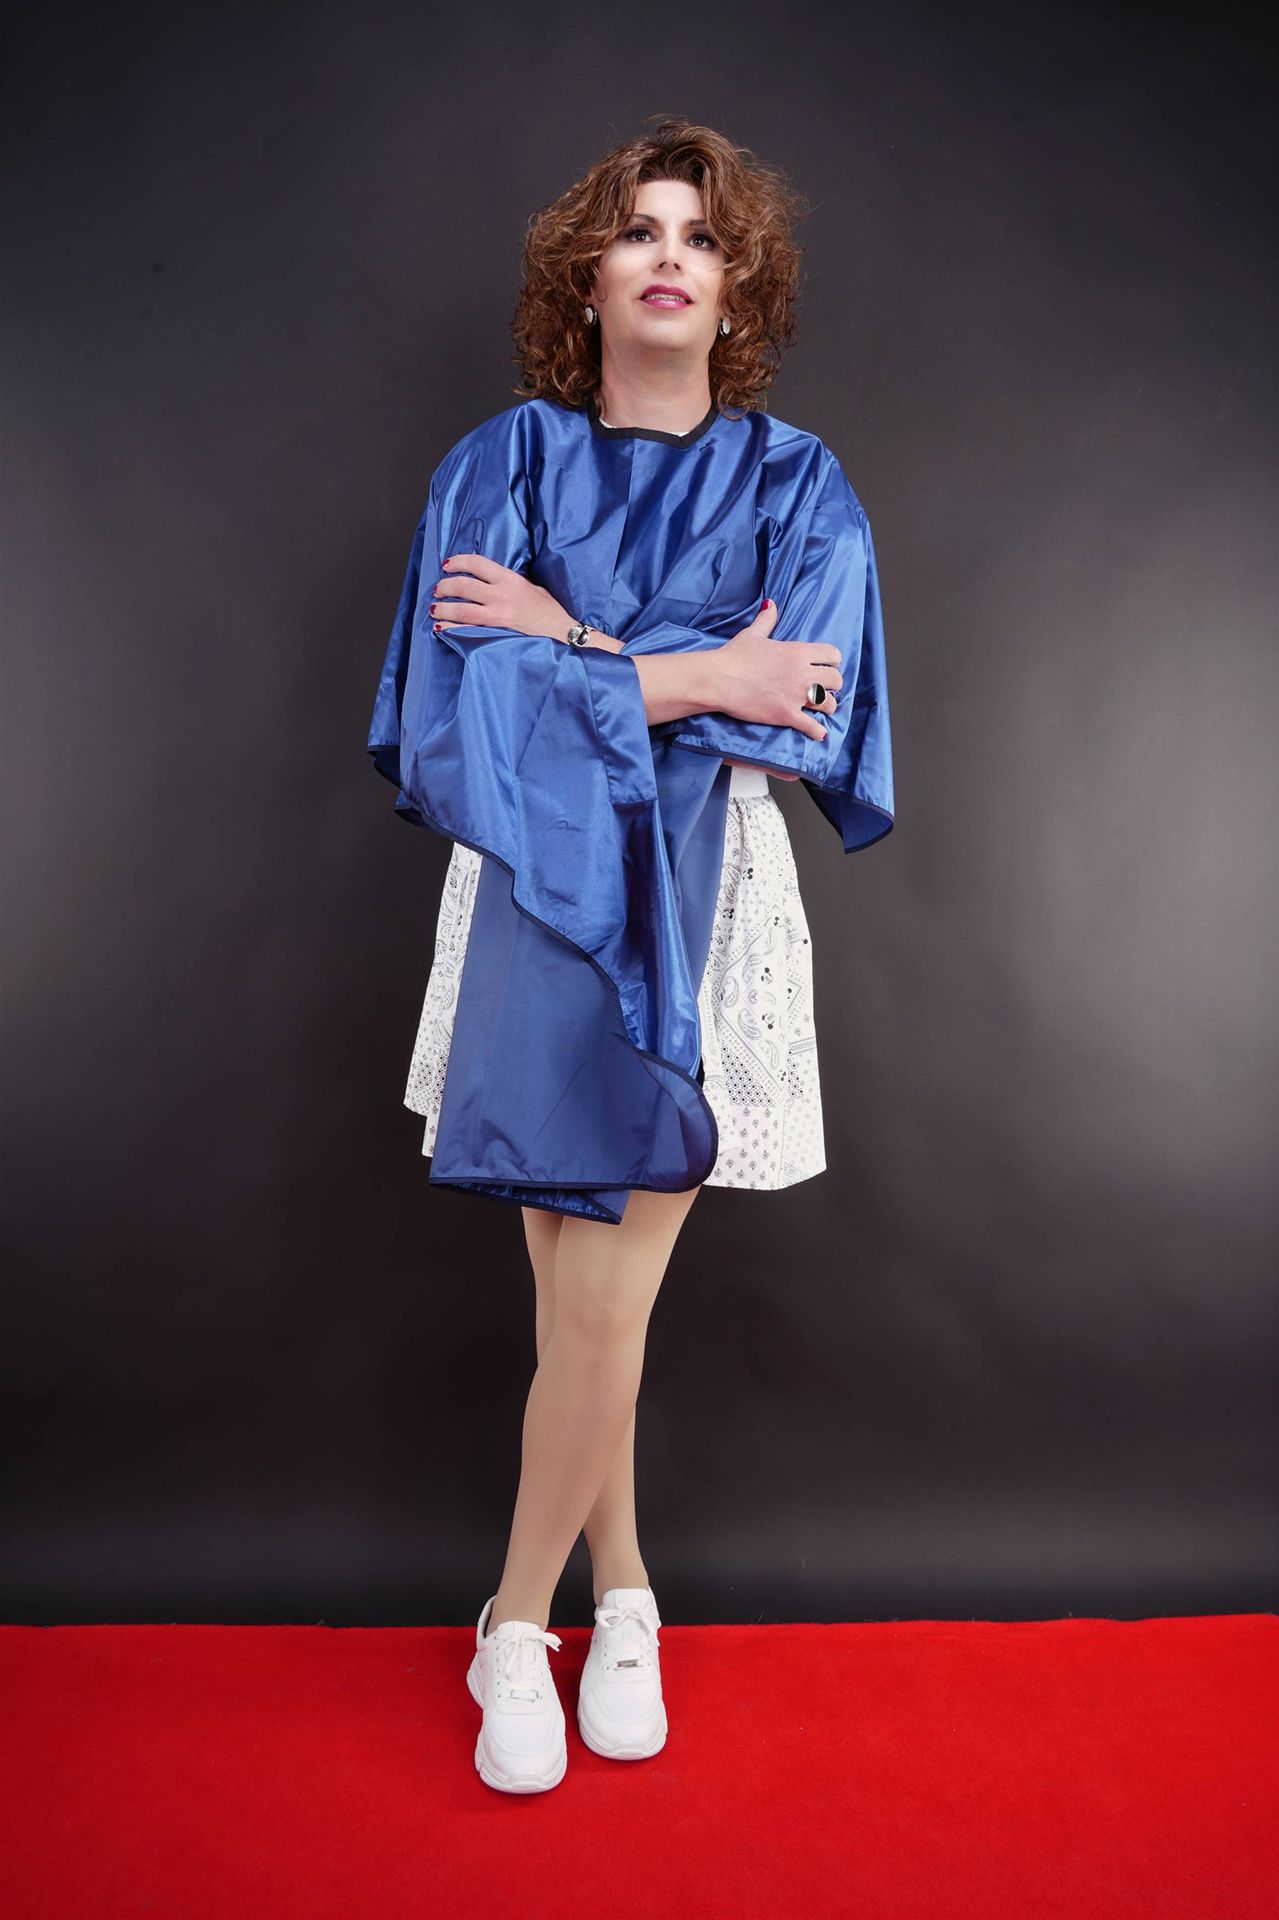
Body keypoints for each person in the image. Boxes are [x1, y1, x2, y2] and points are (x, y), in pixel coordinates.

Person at [367, 116, 893, 1793]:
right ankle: (630, 1594)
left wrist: (575, 647)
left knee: (607, 1297)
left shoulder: (800, 483)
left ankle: (514, 1621)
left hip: (701, 899)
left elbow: (803, 711)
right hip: (541, 893)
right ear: (586, 279)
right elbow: (460, 710)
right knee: (576, 1300)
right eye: (641, 230)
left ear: (738, 291)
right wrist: (695, 671)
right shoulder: (501, 463)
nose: (672, 255)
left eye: (703, 237)